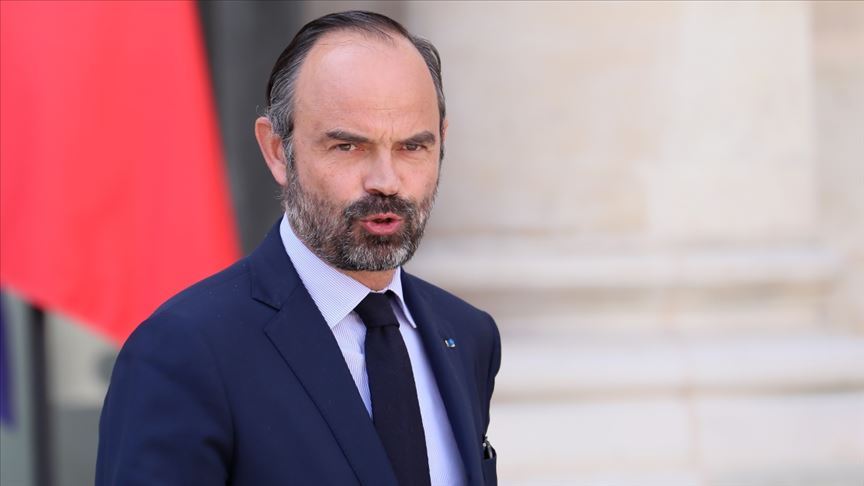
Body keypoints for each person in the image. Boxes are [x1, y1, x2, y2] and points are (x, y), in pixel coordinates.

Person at [95, 10, 501, 486]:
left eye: (412, 147)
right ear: (276, 151)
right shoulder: (183, 351)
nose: (386, 181)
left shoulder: (468, 336)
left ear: (441, 143)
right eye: (348, 147)